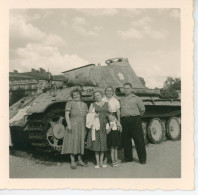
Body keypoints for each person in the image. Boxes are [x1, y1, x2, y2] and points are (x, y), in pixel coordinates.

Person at [61, 88, 88, 169]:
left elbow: (87, 115)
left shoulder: (84, 104)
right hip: (73, 124)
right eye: (74, 95)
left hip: (82, 125)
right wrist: (69, 125)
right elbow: (66, 114)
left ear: (80, 95)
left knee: (81, 142)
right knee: (72, 142)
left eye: (77, 94)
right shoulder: (70, 103)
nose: (75, 96)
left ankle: (80, 160)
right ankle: (72, 161)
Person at [120, 82, 147, 164]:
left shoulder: (136, 98)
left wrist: (137, 118)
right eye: (125, 88)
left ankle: (142, 159)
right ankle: (128, 158)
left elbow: (142, 109)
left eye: (128, 88)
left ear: (131, 89)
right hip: (124, 120)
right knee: (126, 140)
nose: (126, 90)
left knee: (138, 140)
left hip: (135, 120)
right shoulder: (121, 99)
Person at [86, 91, 109, 168]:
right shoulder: (93, 104)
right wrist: (94, 115)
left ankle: (102, 162)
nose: (96, 97)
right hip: (96, 125)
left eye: (98, 95)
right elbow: (89, 115)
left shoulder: (106, 104)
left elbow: (110, 114)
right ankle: (97, 162)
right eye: (95, 96)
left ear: (101, 95)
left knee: (103, 143)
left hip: (104, 125)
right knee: (96, 144)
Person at [102, 86, 121, 164]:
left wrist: (118, 122)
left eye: (110, 91)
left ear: (113, 92)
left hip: (113, 118)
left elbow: (118, 112)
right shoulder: (103, 99)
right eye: (107, 90)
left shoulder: (115, 101)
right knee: (105, 137)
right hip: (104, 118)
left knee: (113, 138)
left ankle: (114, 159)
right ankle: (105, 158)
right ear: (105, 92)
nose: (109, 92)